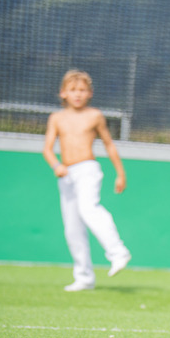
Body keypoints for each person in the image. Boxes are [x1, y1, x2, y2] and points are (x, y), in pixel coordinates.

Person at [43, 69, 131, 291]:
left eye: (82, 90)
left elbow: (109, 144)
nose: (78, 94)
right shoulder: (56, 118)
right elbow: (47, 149)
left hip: (88, 169)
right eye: (73, 90)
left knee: (88, 209)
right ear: (63, 93)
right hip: (66, 175)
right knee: (72, 227)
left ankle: (118, 252)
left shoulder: (95, 116)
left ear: (90, 93)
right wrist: (57, 165)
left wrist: (120, 173)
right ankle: (84, 277)